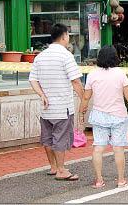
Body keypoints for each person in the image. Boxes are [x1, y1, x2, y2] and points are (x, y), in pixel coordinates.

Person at [28, 23, 84, 181]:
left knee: (48, 138)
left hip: (46, 108)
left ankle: (53, 167)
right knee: (60, 138)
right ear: (64, 36)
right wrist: (84, 99)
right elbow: (76, 82)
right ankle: (61, 170)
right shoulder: (66, 56)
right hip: (62, 107)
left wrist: (42, 95)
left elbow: (32, 80)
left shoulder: (40, 56)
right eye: (68, 36)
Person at [78, 45, 128, 189]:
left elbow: (86, 97)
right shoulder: (120, 73)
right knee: (118, 148)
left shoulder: (92, 74)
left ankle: (99, 180)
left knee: (98, 147)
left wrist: (81, 111)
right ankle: (121, 180)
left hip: (99, 115)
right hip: (118, 115)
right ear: (114, 57)